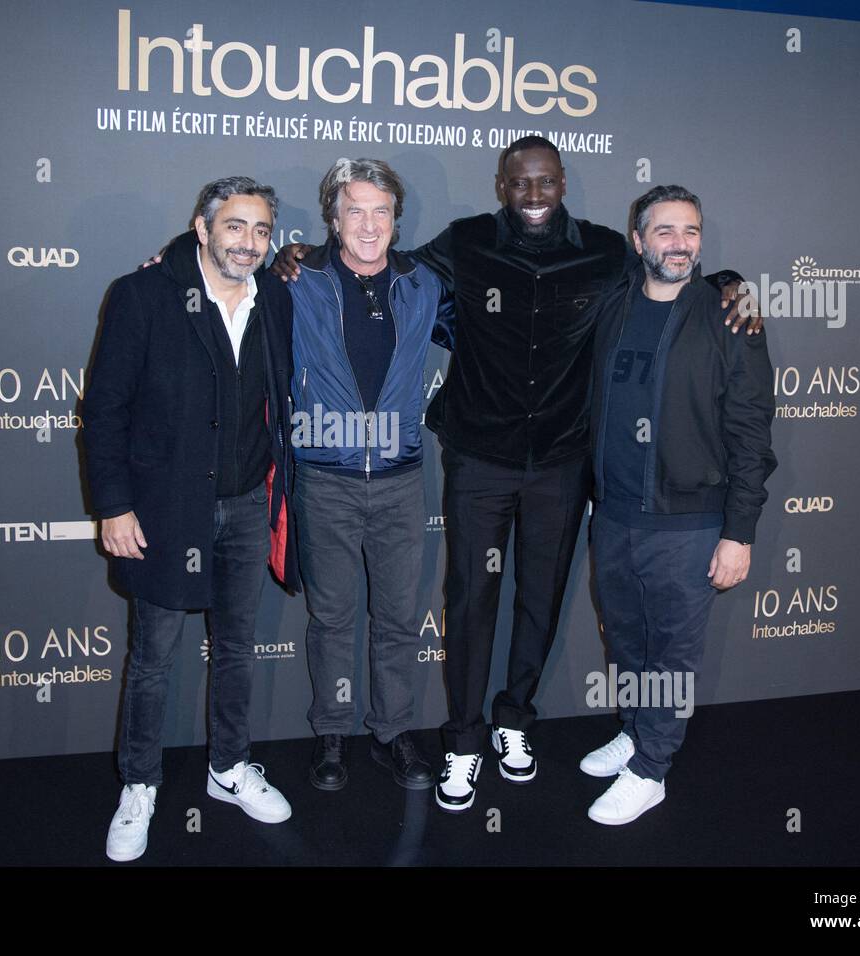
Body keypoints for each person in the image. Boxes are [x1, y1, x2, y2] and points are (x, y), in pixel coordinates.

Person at [275, 137, 758, 813]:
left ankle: (514, 721)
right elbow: (379, 265)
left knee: (540, 602)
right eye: (521, 183)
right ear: (502, 185)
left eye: (546, 182)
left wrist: (728, 282)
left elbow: (669, 276)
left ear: (562, 183)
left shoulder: (602, 250)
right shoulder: (465, 242)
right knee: (470, 601)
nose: (534, 196)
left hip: (562, 461)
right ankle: (465, 739)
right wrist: (298, 256)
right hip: (478, 458)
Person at [81, 176, 300, 862]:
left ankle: (229, 766)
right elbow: (105, 409)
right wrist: (113, 504)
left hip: (246, 508)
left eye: (262, 230)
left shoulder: (279, 301)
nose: (249, 242)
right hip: (164, 512)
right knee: (153, 659)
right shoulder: (143, 294)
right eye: (234, 226)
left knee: (236, 648)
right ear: (201, 228)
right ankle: (139, 784)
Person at [580, 184, 775, 824]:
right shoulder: (614, 304)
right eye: (664, 231)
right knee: (629, 644)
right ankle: (636, 731)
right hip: (612, 516)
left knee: (672, 654)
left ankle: (652, 768)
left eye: (689, 231)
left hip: (689, 523)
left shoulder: (730, 314)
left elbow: (751, 432)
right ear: (638, 241)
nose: (679, 244)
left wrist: (739, 531)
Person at [288, 158, 453, 792]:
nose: (367, 223)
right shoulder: (299, 280)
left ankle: (393, 731)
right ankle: (332, 731)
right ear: (333, 216)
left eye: (380, 211)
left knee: (396, 618)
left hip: (400, 479)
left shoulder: (423, 286)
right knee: (329, 617)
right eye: (354, 209)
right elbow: (217, 255)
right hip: (325, 478)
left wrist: (720, 280)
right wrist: (167, 257)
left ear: (395, 220)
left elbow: (511, 309)